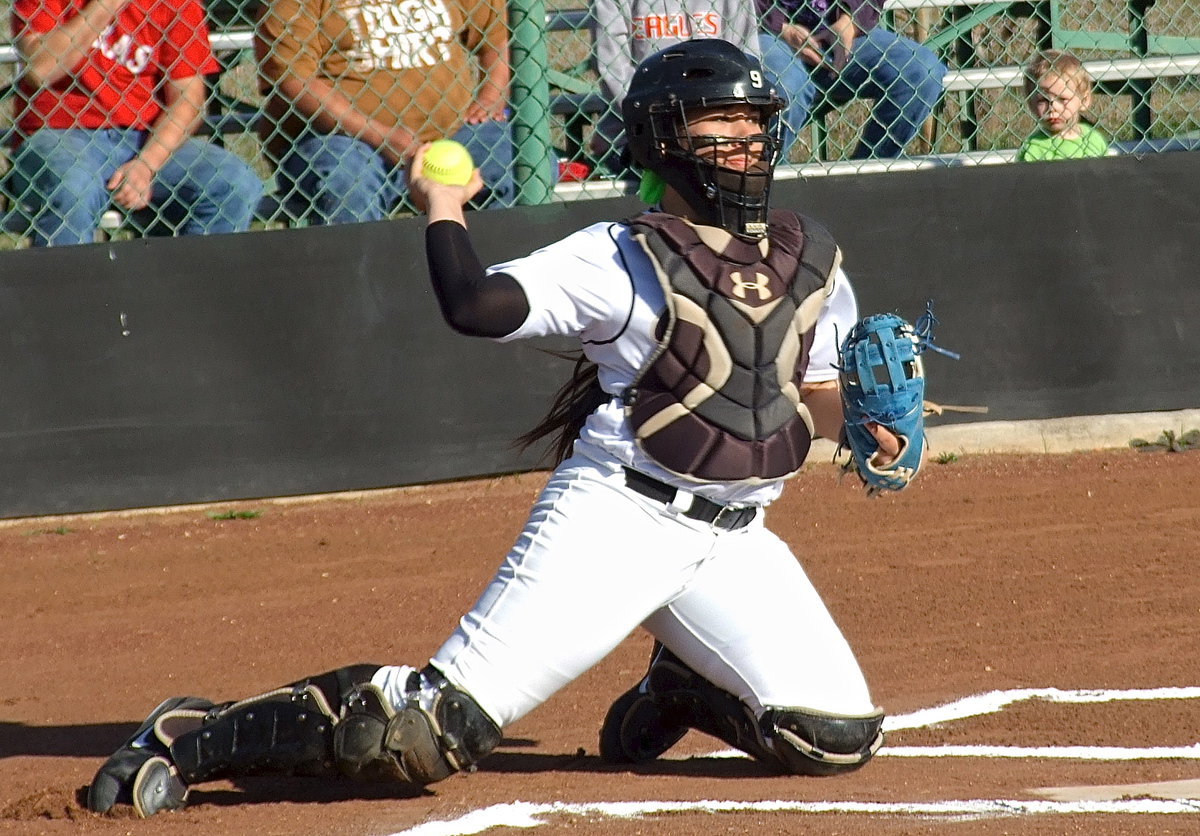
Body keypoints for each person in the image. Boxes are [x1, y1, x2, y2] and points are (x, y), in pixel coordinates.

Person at [86, 39, 904, 819]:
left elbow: (817, 393)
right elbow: (474, 306)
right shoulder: (617, 256)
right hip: (622, 520)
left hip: (734, 539)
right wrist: (444, 206)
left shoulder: (808, 259)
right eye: (716, 128)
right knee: (420, 734)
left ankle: (684, 683)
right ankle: (192, 736)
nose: (742, 144)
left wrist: (870, 430)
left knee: (831, 735)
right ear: (664, 142)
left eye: (753, 126)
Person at [7, 0, 265, 247]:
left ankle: (190, 288)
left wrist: (146, 164)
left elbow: (188, 101)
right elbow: (41, 69)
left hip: (142, 137)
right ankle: (67, 291)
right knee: (75, 188)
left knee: (234, 183)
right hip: (58, 134)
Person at [255, 0, 517, 224]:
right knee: (346, 181)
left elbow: (497, 38)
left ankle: (487, 275)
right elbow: (294, 81)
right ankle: (365, 281)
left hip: (452, 135)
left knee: (516, 159)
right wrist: (381, 136)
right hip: (340, 140)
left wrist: (491, 96)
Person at [755, 0, 946, 161]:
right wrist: (780, 27)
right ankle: (765, 189)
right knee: (783, 85)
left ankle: (864, 186)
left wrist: (849, 21)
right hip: (769, 30)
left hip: (840, 27)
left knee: (921, 70)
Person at [590, 0, 761, 175]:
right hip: (637, 134)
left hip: (720, 132)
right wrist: (665, 124)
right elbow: (612, 69)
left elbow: (746, 61)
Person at [1018, 50, 1109, 162]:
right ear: (1031, 104)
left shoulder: (1094, 140)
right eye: (1042, 100)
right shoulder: (1033, 148)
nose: (1052, 108)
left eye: (1062, 99)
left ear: (1084, 100)